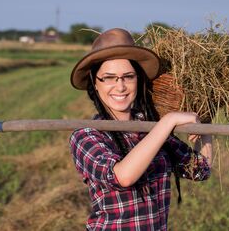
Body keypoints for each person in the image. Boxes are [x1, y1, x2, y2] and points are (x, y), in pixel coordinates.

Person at [69, 28, 212, 230]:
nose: (120, 87)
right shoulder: (86, 136)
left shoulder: (153, 129)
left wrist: (205, 124)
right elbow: (122, 177)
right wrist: (168, 121)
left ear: (139, 80)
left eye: (128, 76)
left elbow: (200, 170)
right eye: (109, 77)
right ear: (95, 82)